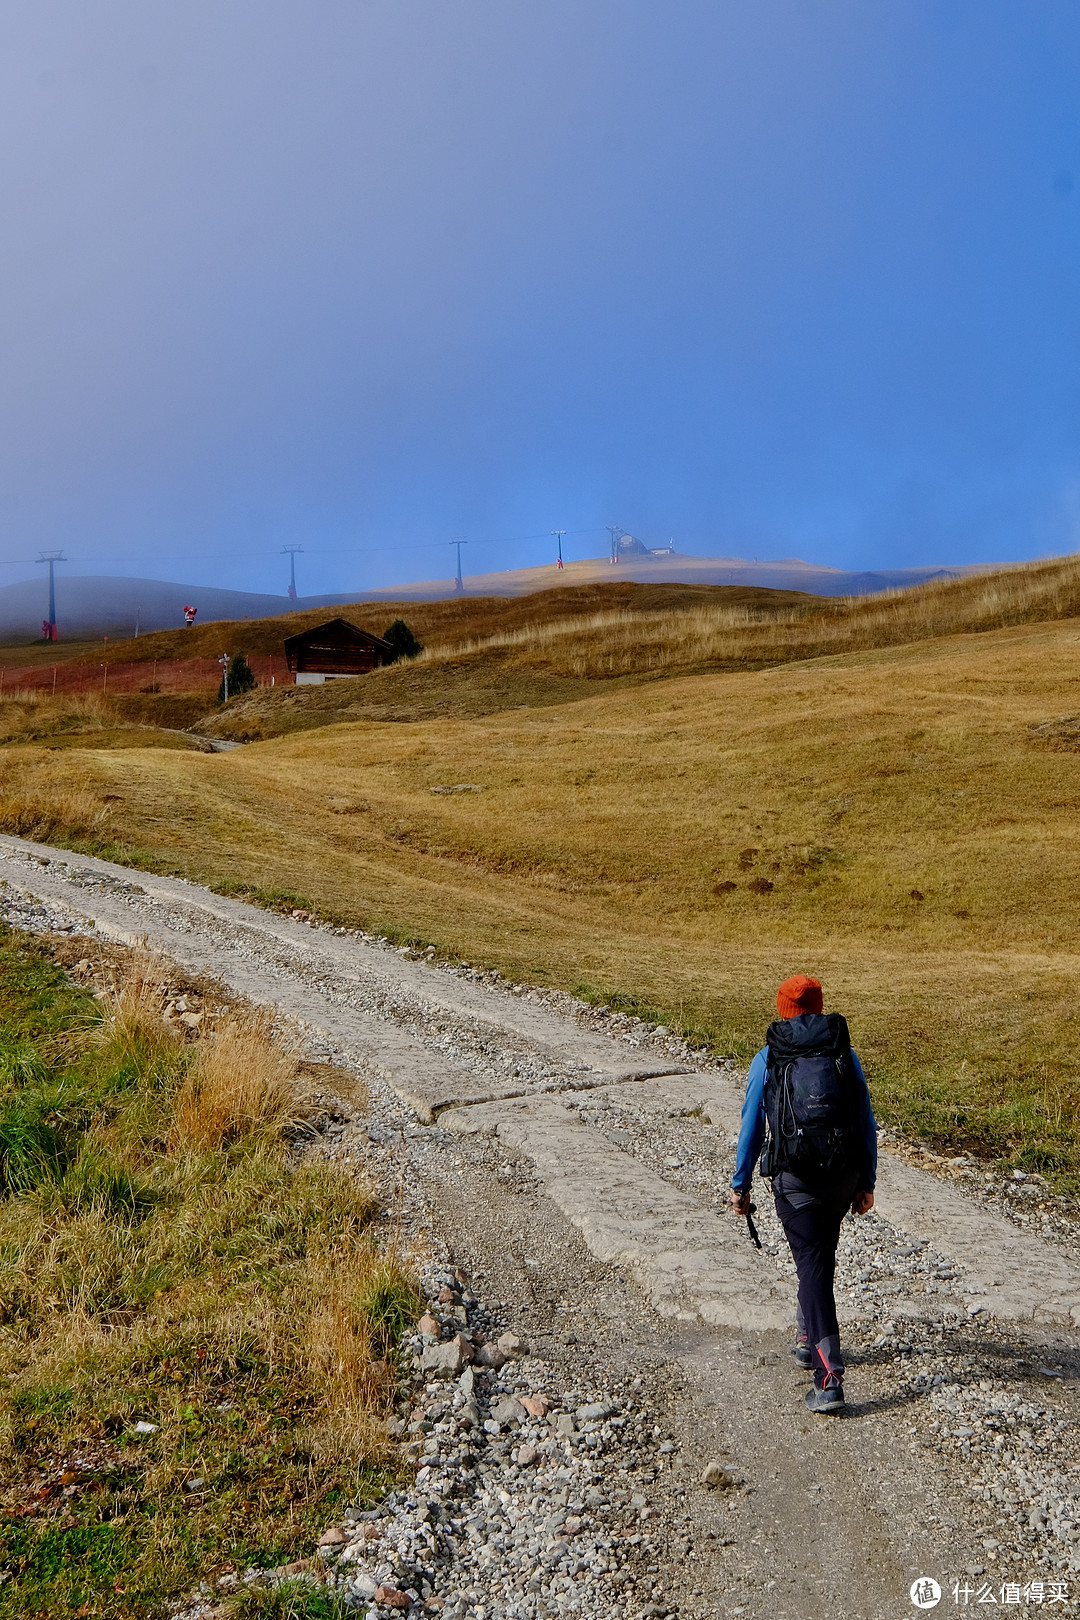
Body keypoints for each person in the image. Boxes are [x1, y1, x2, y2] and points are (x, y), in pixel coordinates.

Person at [730, 974, 877, 1414]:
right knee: (817, 1258)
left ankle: (828, 1377)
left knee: (812, 1263)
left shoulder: (768, 1057)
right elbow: (865, 1121)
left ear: (783, 1009)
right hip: (841, 1176)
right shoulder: (843, 1053)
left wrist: (741, 1184)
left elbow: (751, 1126)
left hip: (795, 1180)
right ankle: (806, 1336)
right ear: (819, 1006)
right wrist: (866, 1181)